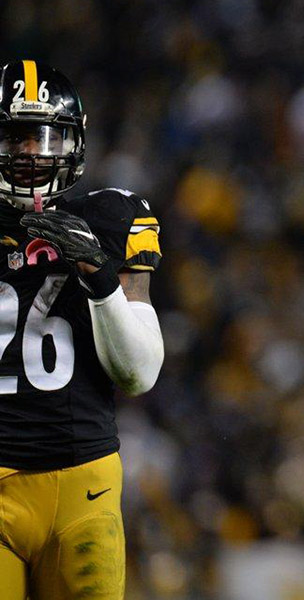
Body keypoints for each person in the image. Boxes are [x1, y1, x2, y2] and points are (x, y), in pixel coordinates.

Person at [0, 60, 165, 599]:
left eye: (47, 137)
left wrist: (99, 278)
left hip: (84, 484)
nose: (32, 153)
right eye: (18, 137)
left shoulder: (111, 218)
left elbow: (139, 374)